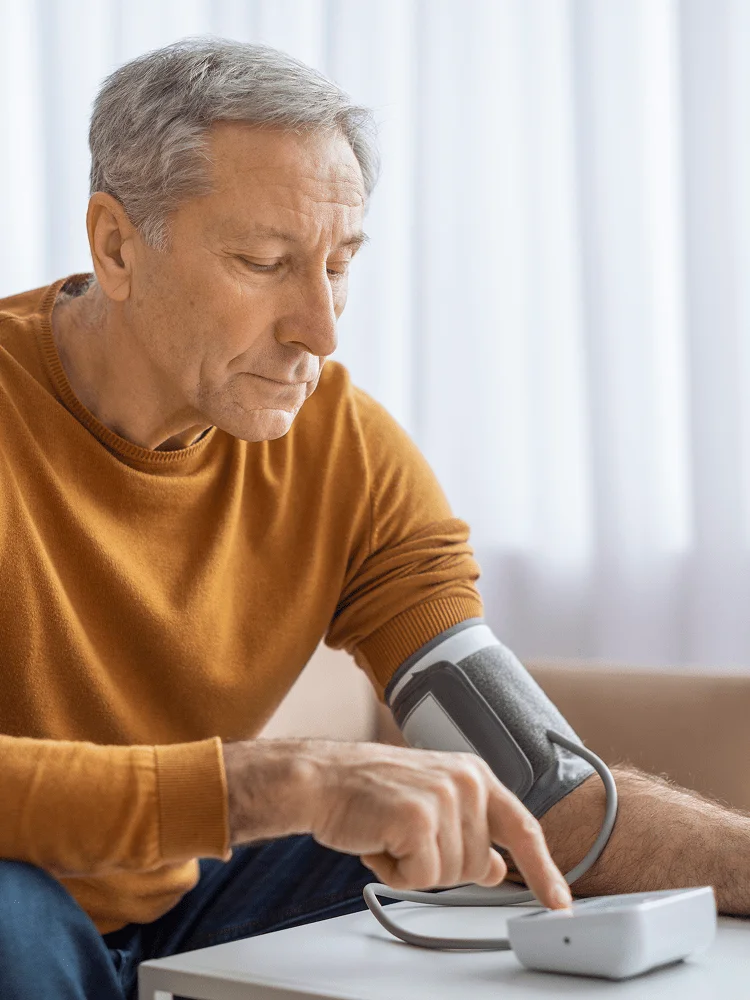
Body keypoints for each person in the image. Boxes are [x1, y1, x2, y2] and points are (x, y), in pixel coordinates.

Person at [0, 38, 747, 1000]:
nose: (321, 328)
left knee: (487, 855)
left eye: (339, 264)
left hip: (185, 890)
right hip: (24, 893)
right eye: (264, 262)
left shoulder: (345, 451)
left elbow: (538, 783)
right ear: (115, 245)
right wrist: (268, 783)